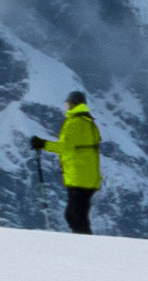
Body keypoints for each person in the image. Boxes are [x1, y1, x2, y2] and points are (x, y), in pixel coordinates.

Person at [29, 93, 102, 234]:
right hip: (88, 178)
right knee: (76, 215)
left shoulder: (74, 123)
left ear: (74, 104)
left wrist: (42, 144)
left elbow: (63, 147)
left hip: (79, 177)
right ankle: (82, 241)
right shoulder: (89, 122)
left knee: (75, 216)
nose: (67, 107)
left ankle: (85, 244)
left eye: (68, 104)